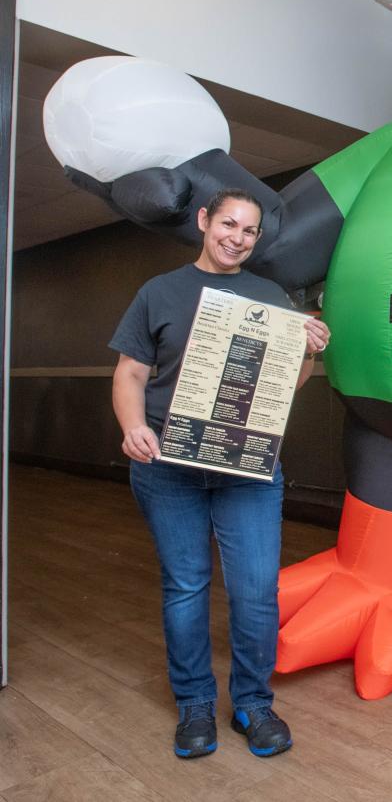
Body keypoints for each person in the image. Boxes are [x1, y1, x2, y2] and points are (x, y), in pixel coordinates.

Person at [110, 188, 330, 759]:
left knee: (256, 591)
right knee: (186, 587)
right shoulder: (159, 293)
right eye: (228, 223)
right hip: (168, 466)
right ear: (205, 222)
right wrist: (134, 427)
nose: (236, 237)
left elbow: (286, 386)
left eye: (249, 231)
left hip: (246, 468)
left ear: (257, 239)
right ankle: (194, 706)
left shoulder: (271, 295)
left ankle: (254, 705)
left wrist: (307, 352)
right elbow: (131, 374)